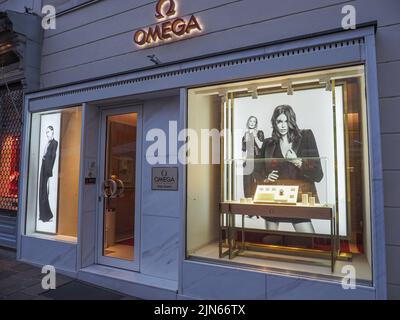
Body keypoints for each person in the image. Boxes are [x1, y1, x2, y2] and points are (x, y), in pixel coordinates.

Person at [260, 105, 323, 233]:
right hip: (274, 197)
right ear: (275, 123)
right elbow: (258, 170)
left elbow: (318, 174)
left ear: (291, 121)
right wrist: (266, 178)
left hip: (298, 198)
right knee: (270, 241)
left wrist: (297, 161)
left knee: (309, 241)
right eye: (279, 121)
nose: (283, 125)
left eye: (286, 121)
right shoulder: (268, 143)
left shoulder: (305, 136)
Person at [39, 126, 58, 223]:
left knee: (44, 190)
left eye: (48, 132)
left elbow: (53, 156)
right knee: (41, 189)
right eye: (46, 132)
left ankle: (47, 215)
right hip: (44, 165)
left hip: (47, 168)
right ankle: (43, 215)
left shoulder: (54, 143)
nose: (47, 134)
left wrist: (49, 171)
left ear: (52, 132)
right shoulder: (48, 142)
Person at [242, 116, 265, 198]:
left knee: (257, 181)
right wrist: (243, 161)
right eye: (250, 121)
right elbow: (244, 149)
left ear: (256, 124)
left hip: (258, 161)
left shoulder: (260, 133)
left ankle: (258, 200)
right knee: (247, 183)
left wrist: (255, 136)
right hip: (248, 161)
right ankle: (248, 201)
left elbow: (261, 146)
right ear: (248, 122)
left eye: (254, 121)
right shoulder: (246, 134)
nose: (252, 123)